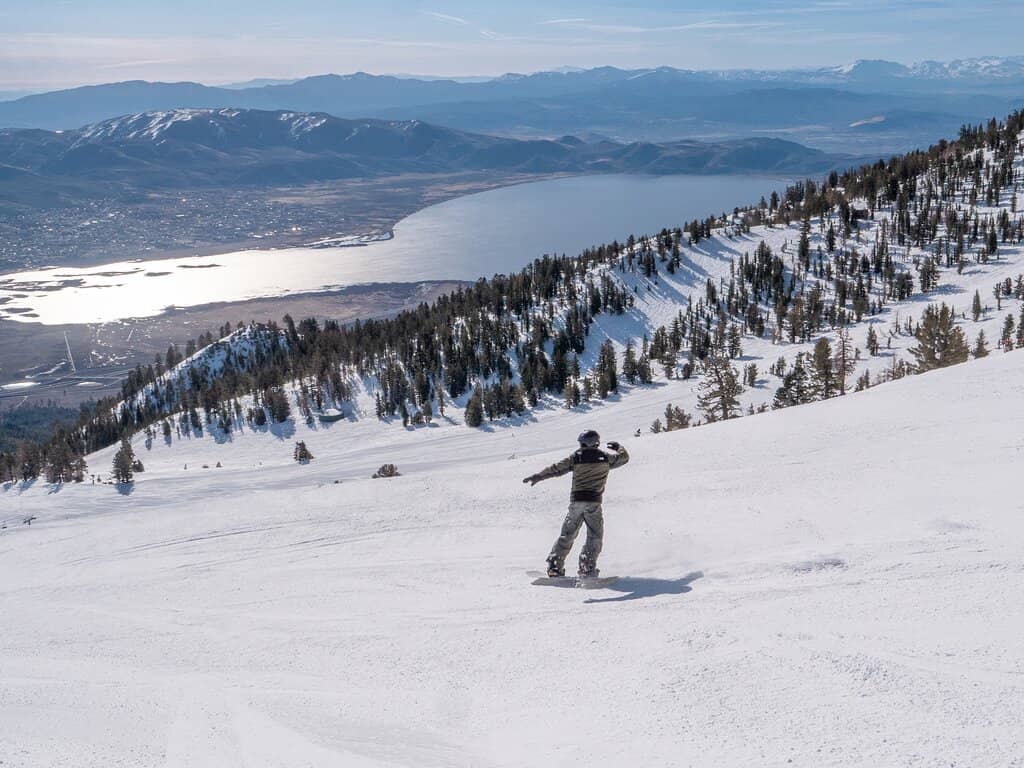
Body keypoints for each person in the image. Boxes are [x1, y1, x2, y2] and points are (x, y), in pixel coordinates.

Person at [522, 430, 629, 577]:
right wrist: (618, 447)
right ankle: (587, 567)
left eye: (582, 443)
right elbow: (623, 458)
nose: (580, 445)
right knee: (595, 535)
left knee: (567, 534)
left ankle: (554, 566)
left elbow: (557, 469)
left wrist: (538, 476)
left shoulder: (577, 457)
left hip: (576, 501)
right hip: (593, 502)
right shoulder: (605, 458)